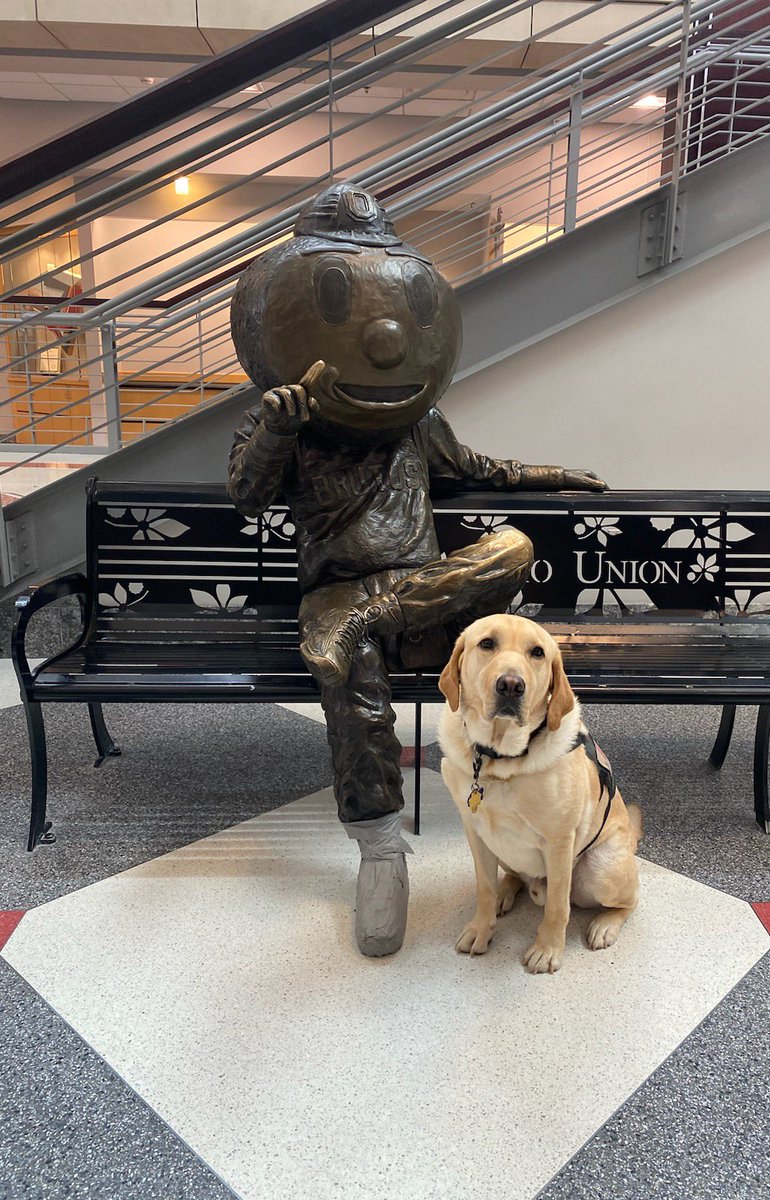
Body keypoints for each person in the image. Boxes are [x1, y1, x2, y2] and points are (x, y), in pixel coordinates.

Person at [227, 182, 606, 957]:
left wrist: (548, 473)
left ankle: (370, 617)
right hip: (336, 598)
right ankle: (380, 852)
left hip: (422, 607)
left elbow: (480, 466)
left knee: (511, 547)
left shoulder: (418, 422)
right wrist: (274, 427)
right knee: (348, 674)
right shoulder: (288, 421)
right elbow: (245, 493)